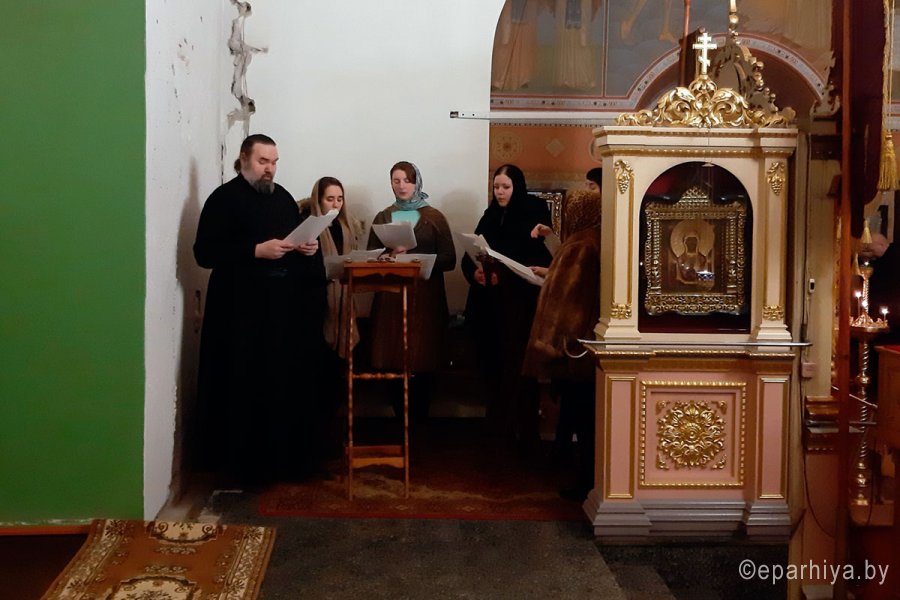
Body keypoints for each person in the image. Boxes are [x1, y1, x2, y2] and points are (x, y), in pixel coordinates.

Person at [193, 133, 327, 487]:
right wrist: (255, 251)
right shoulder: (223, 199)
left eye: (274, 162)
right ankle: (244, 469)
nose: (270, 169)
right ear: (243, 159)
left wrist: (307, 248)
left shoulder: (282, 198)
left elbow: (290, 243)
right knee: (242, 385)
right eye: (263, 161)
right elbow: (204, 253)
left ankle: (282, 463)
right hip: (238, 313)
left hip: (280, 312)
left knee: (280, 384)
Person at [462, 164, 553, 447]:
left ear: (517, 187)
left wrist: (503, 272)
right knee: (492, 364)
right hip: (489, 304)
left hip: (518, 305)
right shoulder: (490, 215)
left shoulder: (533, 212)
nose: (500, 192)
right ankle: (497, 427)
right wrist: (475, 273)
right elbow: (472, 254)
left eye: (506, 187)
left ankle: (523, 431)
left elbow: (540, 256)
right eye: (496, 187)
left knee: (518, 367)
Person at [523, 188, 602, 501]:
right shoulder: (598, 239)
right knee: (583, 416)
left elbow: (567, 302)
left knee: (582, 417)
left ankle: (585, 483)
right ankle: (581, 474)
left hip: (573, 346)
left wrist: (551, 346)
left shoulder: (580, 245)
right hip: (588, 342)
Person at [367, 161, 457, 420]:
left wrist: (416, 259)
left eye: (407, 180)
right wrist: (389, 256)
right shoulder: (383, 217)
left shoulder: (434, 217)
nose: (402, 186)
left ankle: (420, 422)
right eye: (396, 180)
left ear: (417, 182)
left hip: (425, 299)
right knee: (392, 359)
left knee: (424, 360)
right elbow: (371, 256)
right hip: (391, 300)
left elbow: (450, 259)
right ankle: (400, 420)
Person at [299, 176, 364, 359]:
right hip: (315, 297)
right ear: (318, 200)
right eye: (330, 199)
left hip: (342, 293)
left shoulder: (345, 226)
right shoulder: (306, 224)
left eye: (340, 199)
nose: (336, 204)